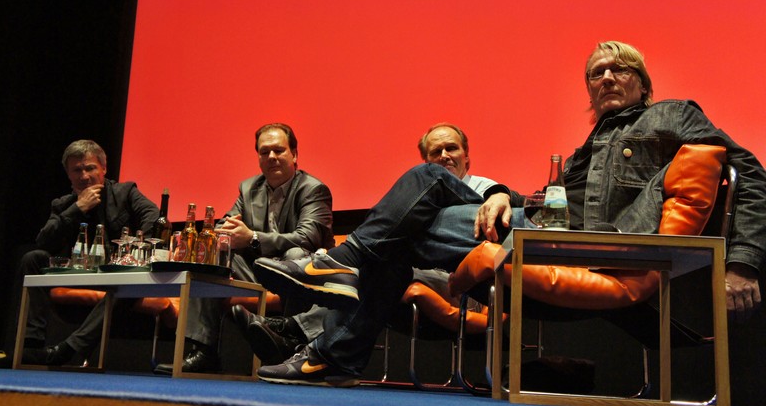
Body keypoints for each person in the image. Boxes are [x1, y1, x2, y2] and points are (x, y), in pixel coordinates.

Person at [252, 40, 766, 387]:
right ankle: (334, 345)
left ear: (642, 82)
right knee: (422, 191)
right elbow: (550, 201)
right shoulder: (587, 147)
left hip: (589, 245)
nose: (607, 77)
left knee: (420, 193)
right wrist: (503, 195)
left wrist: (742, 262)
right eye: (597, 73)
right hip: (542, 228)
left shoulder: (671, 114)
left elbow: (749, 173)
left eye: (620, 69)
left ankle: (335, 301)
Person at [237, 123, 496, 364]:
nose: (444, 156)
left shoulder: (487, 190)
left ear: (467, 157)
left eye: (451, 148)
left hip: (465, 283)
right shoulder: (419, 197)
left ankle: (294, 331)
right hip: (412, 272)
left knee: (367, 271)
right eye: (436, 152)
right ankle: (300, 337)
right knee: (373, 269)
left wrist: (502, 197)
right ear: (426, 161)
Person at [153, 123, 336, 374]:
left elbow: (307, 238)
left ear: (294, 154)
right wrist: (203, 243)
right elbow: (225, 225)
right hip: (258, 271)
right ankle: (203, 352)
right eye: (264, 152)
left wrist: (252, 238)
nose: (271, 157)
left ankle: (293, 350)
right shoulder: (249, 188)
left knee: (295, 255)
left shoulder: (313, 189)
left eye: (279, 150)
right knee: (210, 259)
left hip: (298, 275)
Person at [21, 140, 159, 365]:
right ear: (68, 174)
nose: (84, 176)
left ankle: (70, 349)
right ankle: (31, 345)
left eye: (90, 168)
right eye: (77, 170)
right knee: (33, 259)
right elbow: (43, 241)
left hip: (117, 275)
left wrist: (133, 247)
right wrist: (77, 208)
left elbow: (153, 215)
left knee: (128, 284)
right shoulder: (62, 204)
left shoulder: (125, 192)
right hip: (79, 273)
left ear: (103, 168)